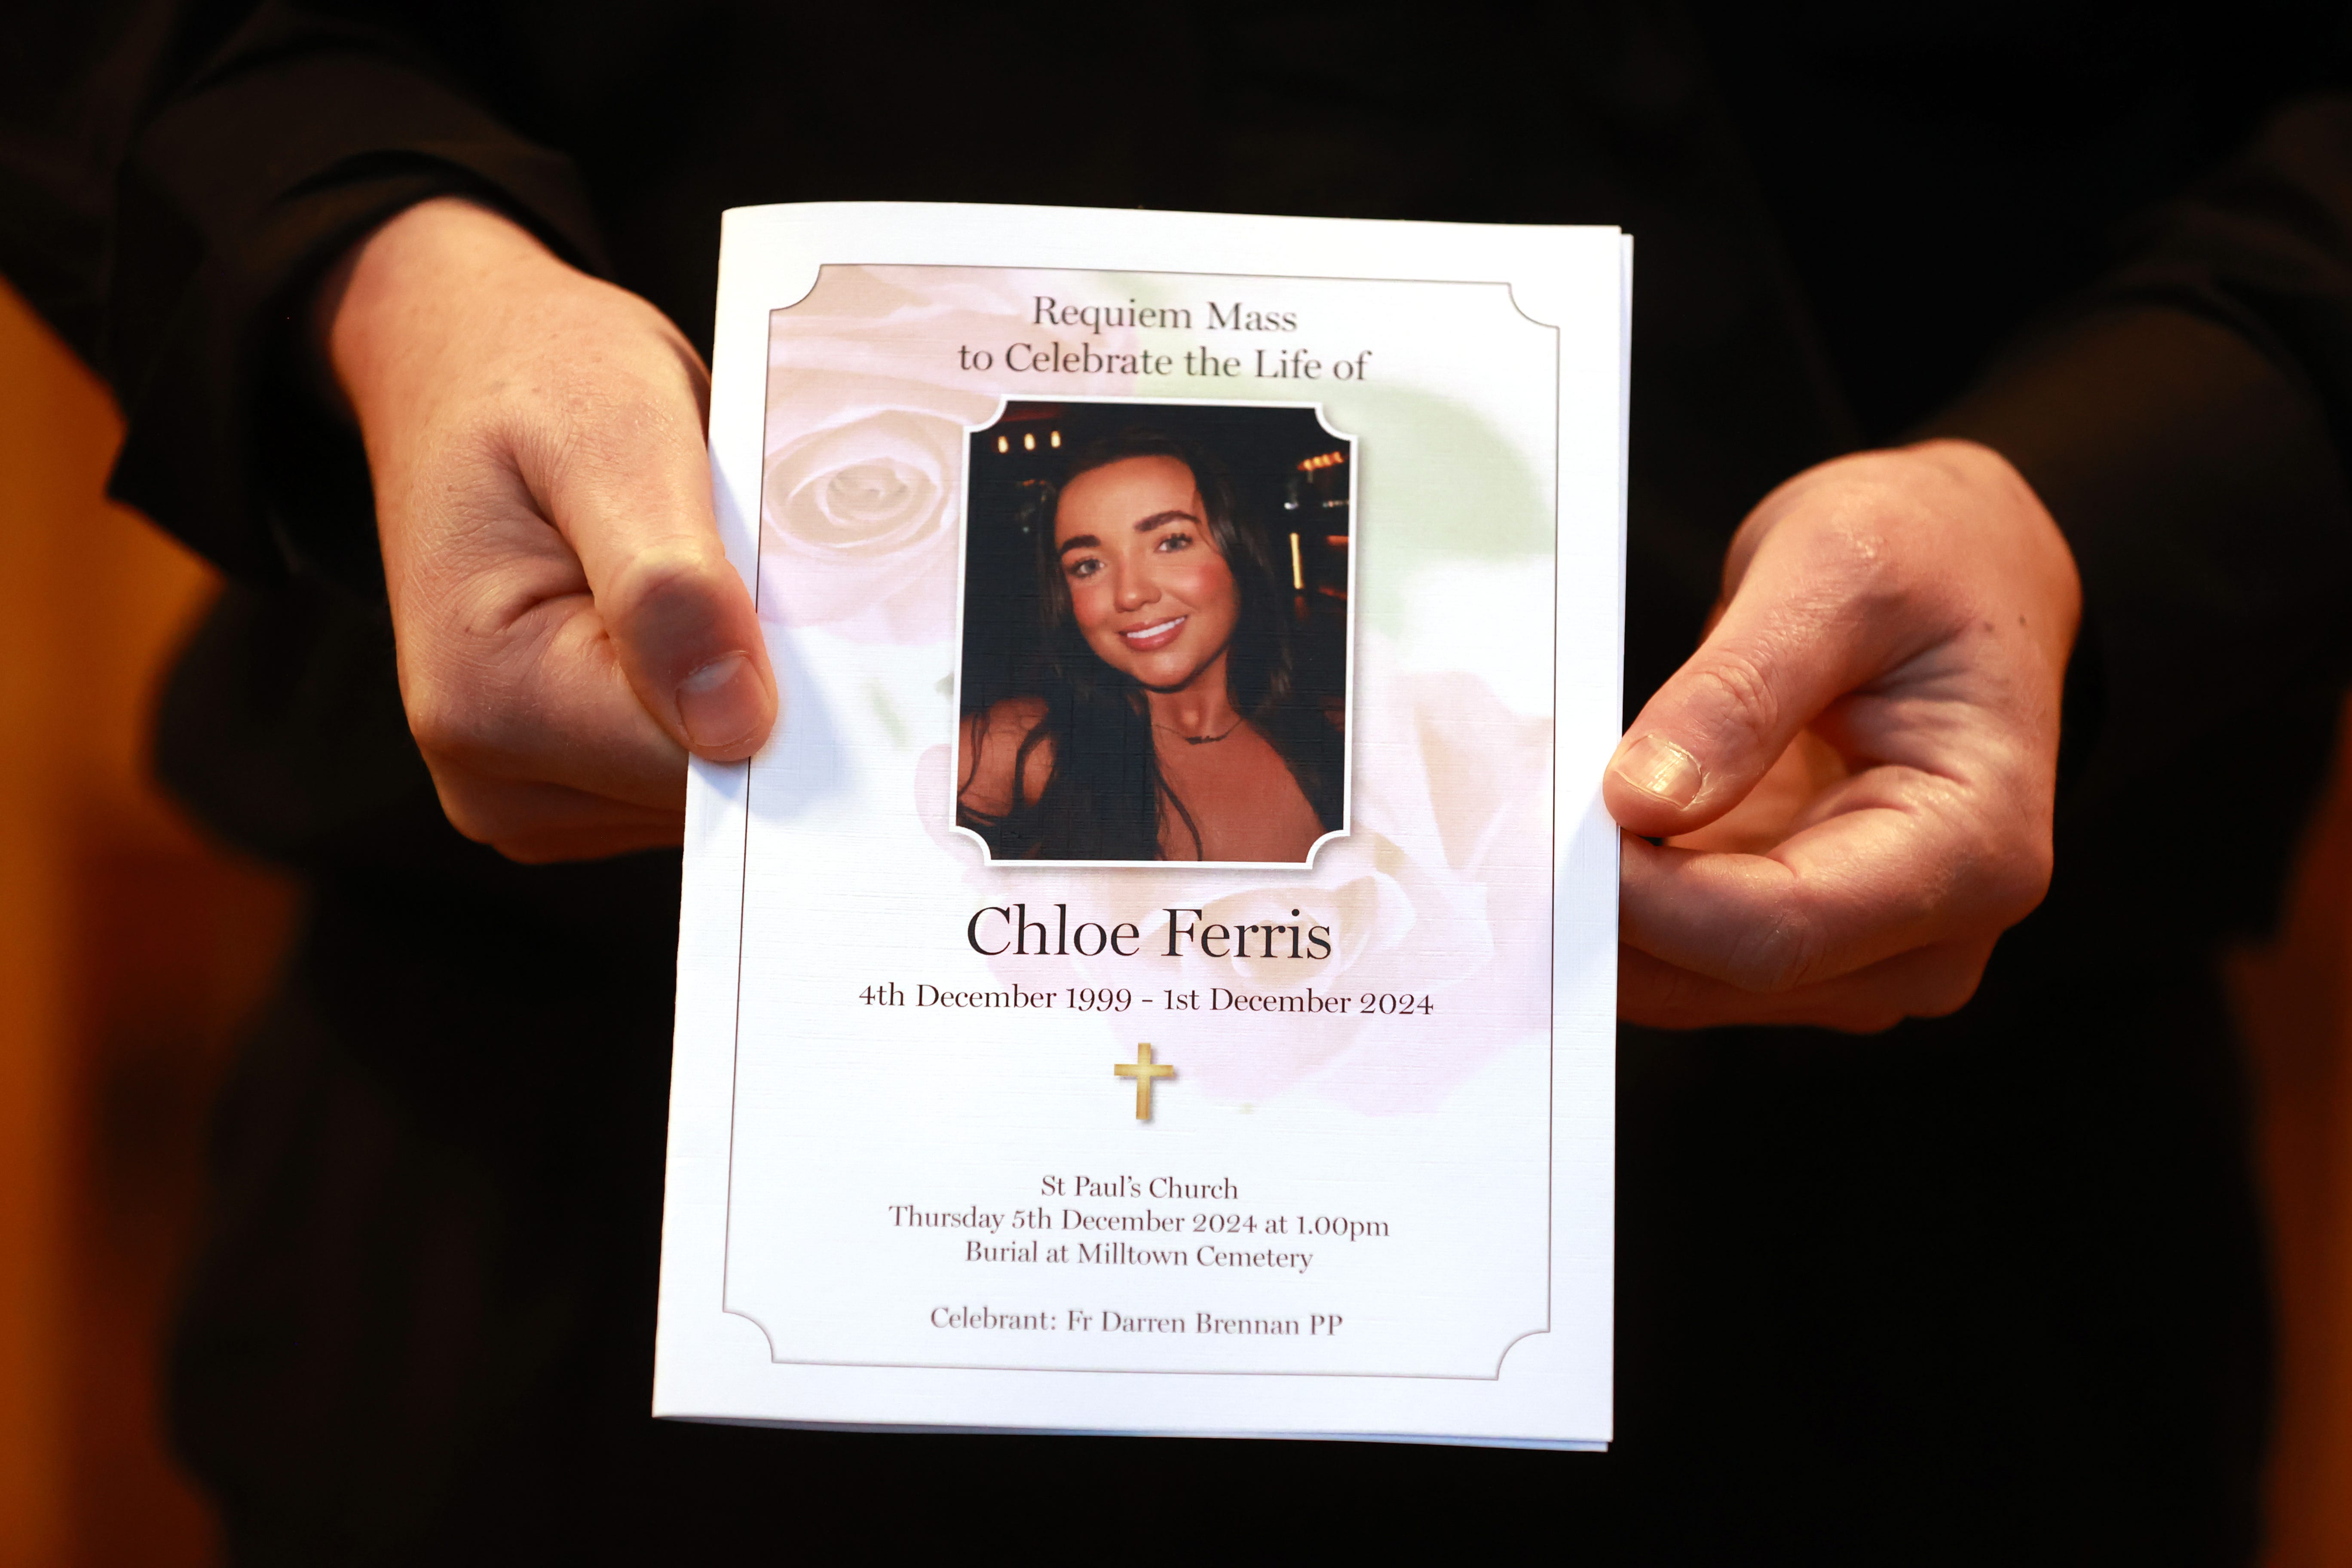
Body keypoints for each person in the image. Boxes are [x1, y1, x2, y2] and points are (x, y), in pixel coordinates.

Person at [3, 2, 2347, 1560]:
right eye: (1095, 552)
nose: (1137, 593)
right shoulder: (1027, 754)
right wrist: (374, 270)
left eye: (1180, 542)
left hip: (1880, 1239)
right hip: (594, 1210)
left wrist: (2116, 497)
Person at [957, 429, 1341, 864]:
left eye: (1171, 542)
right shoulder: (1018, 751)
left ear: (1241, 552)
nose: (1130, 594)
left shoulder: (1359, 749)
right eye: (1089, 565)